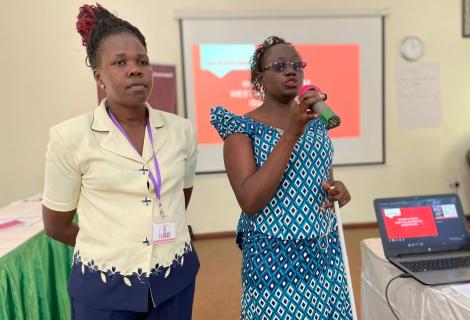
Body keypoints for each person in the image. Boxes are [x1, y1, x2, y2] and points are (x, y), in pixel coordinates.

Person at [42, 4, 199, 319]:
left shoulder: (181, 130)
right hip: (103, 291)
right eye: (120, 62)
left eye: (142, 61)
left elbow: (180, 198)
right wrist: (110, 247)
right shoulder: (69, 137)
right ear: (98, 76)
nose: (135, 69)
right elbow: (56, 225)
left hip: (174, 281)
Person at [210, 36, 353, 319]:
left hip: (324, 247)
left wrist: (337, 190)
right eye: (279, 66)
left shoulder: (314, 123)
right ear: (259, 78)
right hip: (274, 254)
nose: (291, 71)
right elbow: (250, 201)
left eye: (297, 64)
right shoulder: (241, 129)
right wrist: (290, 133)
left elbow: (324, 178)